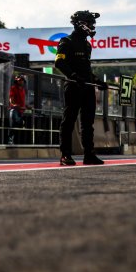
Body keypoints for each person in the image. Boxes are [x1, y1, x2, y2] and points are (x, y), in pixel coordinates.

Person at [54, 10, 106, 166]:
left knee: (88, 123)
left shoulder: (87, 45)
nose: (92, 26)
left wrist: (97, 81)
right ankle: (65, 155)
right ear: (80, 24)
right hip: (73, 86)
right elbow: (59, 62)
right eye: (89, 23)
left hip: (87, 87)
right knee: (69, 120)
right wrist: (74, 76)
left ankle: (89, 154)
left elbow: (86, 69)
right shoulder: (66, 41)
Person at [8, 75, 31, 144]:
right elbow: (11, 98)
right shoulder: (13, 88)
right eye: (19, 80)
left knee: (17, 125)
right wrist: (14, 104)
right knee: (14, 124)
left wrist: (27, 106)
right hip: (14, 110)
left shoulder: (23, 90)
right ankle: (10, 140)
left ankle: (14, 141)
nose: (20, 82)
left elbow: (22, 100)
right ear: (16, 81)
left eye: (22, 80)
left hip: (21, 110)